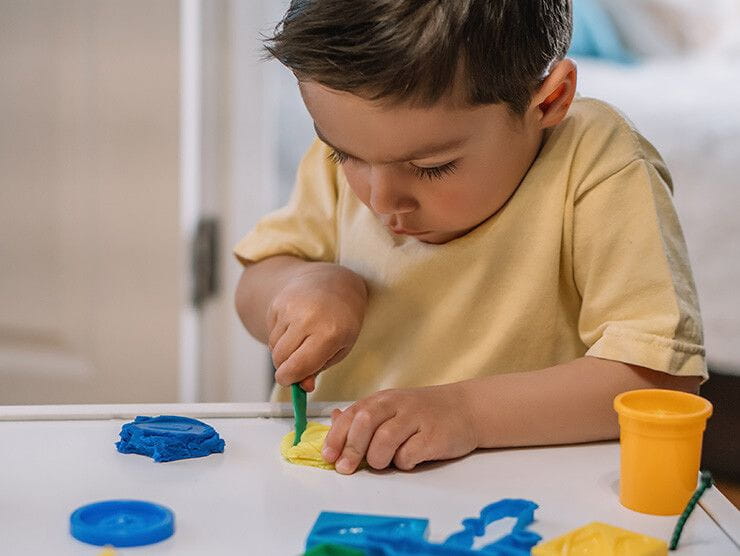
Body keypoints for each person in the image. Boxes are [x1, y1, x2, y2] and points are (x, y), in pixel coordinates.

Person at [234, 1, 706, 475]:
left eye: (430, 167)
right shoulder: (363, 144)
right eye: (344, 155)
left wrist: (466, 413)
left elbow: (661, 385)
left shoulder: (597, 161)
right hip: (333, 484)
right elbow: (255, 286)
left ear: (548, 100)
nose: (380, 201)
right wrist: (302, 285)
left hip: (523, 495)